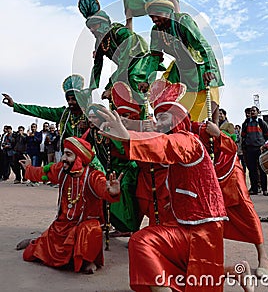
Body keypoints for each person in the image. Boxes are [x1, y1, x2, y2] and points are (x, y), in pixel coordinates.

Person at [97, 79, 227, 292]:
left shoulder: (188, 141)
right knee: (171, 260)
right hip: (182, 220)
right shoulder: (173, 142)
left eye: (164, 118)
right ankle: (239, 273)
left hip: (200, 229)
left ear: (179, 119)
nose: (158, 123)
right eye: (157, 118)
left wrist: (129, 136)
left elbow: (165, 145)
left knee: (143, 242)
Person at [18, 136, 122, 274]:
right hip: (62, 224)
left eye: (68, 154)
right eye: (63, 154)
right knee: (35, 252)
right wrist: (29, 168)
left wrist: (112, 192)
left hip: (83, 225)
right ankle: (35, 242)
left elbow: (103, 187)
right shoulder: (62, 170)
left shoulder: (93, 176)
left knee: (91, 229)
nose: (63, 158)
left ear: (79, 158)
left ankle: (88, 260)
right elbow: (43, 173)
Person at [192, 121, 268, 279]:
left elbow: (232, 147)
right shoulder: (176, 126)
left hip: (229, 170)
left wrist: (217, 133)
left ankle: (264, 257)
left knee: (246, 212)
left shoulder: (205, 123)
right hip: (206, 173)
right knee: (208, 220)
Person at [138, 0, 224, 123]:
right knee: (165, 97)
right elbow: (154, 58)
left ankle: (213, 129)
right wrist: (147, 80)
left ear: (168, 12)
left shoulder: (182, 21)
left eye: (157, 15)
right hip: (179, 70)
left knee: (208, 100)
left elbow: (202, 45)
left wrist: (209, 68)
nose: (154, 20)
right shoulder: (156, 30)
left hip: (199, 65)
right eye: (151, 17)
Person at [78, 0, 157, 114]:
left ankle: (143, 117)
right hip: (124, 66)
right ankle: (120, 118)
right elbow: (97, 66)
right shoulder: (99, 43)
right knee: (110, 92)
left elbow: (125, 61)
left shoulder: (121, 33)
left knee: (133, 79)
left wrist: (112, 85)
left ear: (104, 23)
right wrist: (91, 88)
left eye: (94, 25)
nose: (92, 30)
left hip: (141, 60)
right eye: (90, 27)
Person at [111, 81, 170, 226]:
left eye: (126, 115)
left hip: (162, 179)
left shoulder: (155, 129)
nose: (123, 119)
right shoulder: (123, 130)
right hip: (144, 178)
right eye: (121, 116)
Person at [83, 102, 140, 234]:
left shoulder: (109, 129)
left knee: (124, 194)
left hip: (126, 169)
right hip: (111, 171)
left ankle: (131, 230)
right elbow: (83, 146)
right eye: (89, 117)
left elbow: (124, 150)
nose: (91, 120)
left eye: (94, 117)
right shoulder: (92, 132)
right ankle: (114, 225)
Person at [2, 74, 90, 153]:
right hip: (68, 157)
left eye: (73, 99)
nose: (70, 102)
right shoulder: (64, 114)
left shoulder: (89, 114)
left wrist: (89, 125)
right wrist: (15, 105)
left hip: (87, 156)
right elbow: (39, 111)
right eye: (68, 99)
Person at [241, 106, 268, 196]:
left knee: (262, 169)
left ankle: (264, 189)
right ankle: (254, 189)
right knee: (252, 170)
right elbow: (243, 135)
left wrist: (261, 142)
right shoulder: (246, 123)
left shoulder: (261, 122)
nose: (252, 112)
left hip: (259, 149)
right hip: (250, 149)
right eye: (251, 111)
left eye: (254, 111)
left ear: (258, 112)